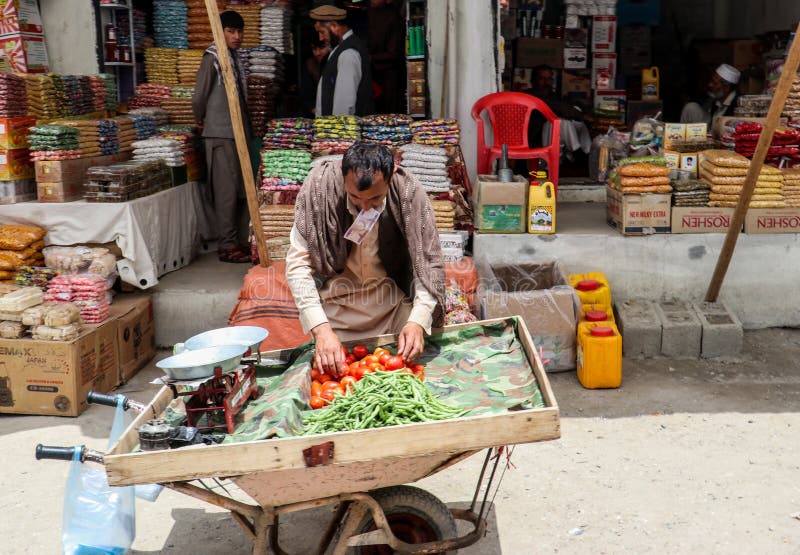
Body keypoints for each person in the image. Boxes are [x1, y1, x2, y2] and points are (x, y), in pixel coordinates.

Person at [286, 142, 445, 375]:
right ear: (343, 178)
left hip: (392, 309)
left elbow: (429, 263)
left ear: (390, 178)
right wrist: (321, 330)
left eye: (375, 198)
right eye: (355, 197)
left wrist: (417, 322)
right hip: (335, 313)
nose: (365, 207)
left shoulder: (408, 192)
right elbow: (297, 266)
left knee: (424, 372)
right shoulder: (319, 190)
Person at [192, 10, 252, 263]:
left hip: (238, 133)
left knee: (241, 189)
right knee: (226, 190)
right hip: (220, 133)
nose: (237, 36)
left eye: (240, 32)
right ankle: (227, 245)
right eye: (231, 31)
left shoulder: (234, 59)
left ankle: (239, 240)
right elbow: (199, 96)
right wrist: (200, 121)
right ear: (220, 32)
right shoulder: (213, 57)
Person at [312, 7, 374, 116]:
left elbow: (345, 103)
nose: (320, 38)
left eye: (322, 32)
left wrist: (338, 126)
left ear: (334, 26)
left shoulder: (348, 54)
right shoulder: (339, 49)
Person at [523, 64, 591, 156]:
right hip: (535, 139)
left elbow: (565, 105)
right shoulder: (530, 95)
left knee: (575, 114)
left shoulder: (552, 95)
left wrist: (580, 109)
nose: (546, 82)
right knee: (563, 121)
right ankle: (578, 152)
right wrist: (582, 116)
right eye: (542, 78)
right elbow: (556, 107)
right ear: (533, 80)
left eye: (549, 79)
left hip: (553, 136)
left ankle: (587, 151)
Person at [368, 0, 405, 114]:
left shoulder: (393, 16)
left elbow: (394, 53)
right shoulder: (371, 12)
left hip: (390, 74)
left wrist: (371, 58)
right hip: (374, 71)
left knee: (389, 111)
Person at [299, 36, 330, 117]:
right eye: (314, 49)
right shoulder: (310, 65)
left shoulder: (337, 62)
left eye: (322, 48)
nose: (317, 53)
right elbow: (307, 96)